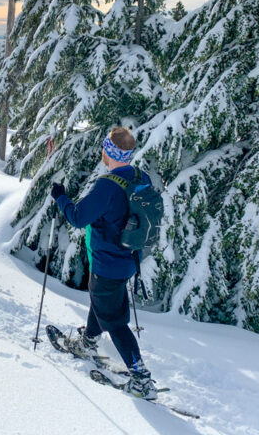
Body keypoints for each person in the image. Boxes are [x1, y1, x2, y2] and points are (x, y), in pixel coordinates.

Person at [50, 126, 157, 400]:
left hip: (107, 263)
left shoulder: (108, 185)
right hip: (129, 259)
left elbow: (77, 217)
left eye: (104, 148)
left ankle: (141, 379)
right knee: (101, 302)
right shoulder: (139, 177)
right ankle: (88, 343)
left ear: (108, 153)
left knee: (115, 320)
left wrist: (60, 196)